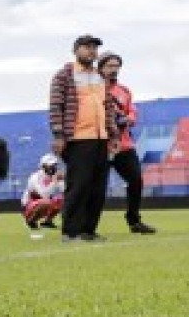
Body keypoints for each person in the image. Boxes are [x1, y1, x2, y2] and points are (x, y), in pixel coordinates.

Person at [49, 34, 119, 243]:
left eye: (94, 48)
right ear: (76, 50)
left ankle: (88, 230)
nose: (92, 51)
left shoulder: (100, 77)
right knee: (79, 185)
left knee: (98, 187)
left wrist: (113, 134)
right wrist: (59, 135)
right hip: (78, 138)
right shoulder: (63, 76)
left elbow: (108, 108)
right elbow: (55, 107)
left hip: (101, 138)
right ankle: (70, 231)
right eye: (87, 47)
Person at [98, 51, 156, 235]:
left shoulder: (124, 91)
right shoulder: (92, 90)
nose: (114, 70)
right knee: (96, 186)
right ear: (100, 67)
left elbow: (132, 112)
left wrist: (127, 119)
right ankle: (85, 225)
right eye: (110, 66)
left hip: (123, 145)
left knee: (136, 180)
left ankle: (134, 220)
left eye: (117, 66)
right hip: (100, 145)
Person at [22, 154, 65, 230]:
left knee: (62, 199)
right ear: (44, 166)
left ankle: (47, 222)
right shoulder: (35, 177)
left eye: (54, 165)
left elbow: (65, 191)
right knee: (46, 202)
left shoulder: (54, 176)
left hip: (44, 204)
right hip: (29, 206)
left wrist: (63, 181)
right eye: (51, 165)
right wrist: (54, 181)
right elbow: (44, 195)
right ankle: (31, 221)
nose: (53, 168)